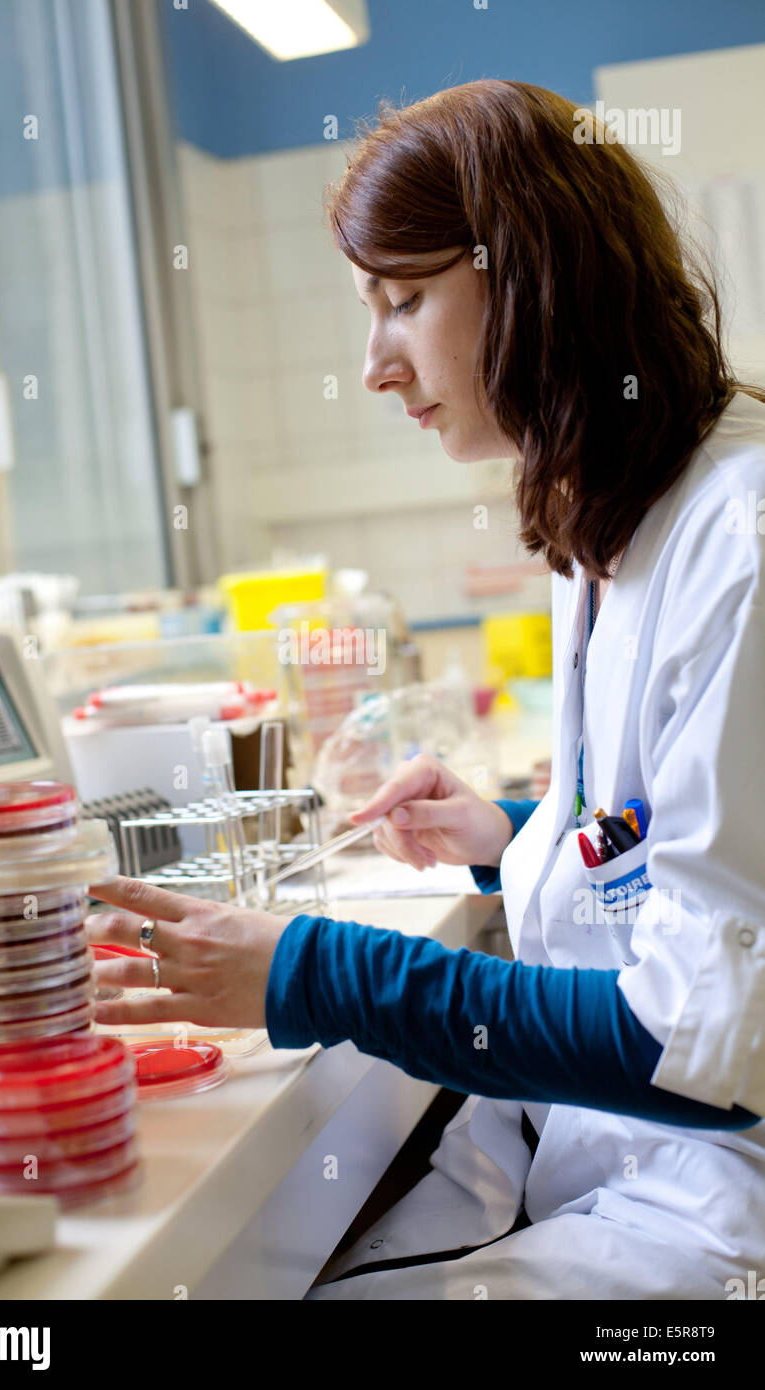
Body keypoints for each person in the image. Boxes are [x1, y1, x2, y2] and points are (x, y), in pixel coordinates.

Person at [88, 80, 765, 1300]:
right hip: (603, 1159)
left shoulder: (738, 540)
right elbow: (682, 849)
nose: (373, 365)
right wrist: (509, 838)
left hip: (717, 1211)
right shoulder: (606, 513)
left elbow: (690, 1039)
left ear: (536, 280)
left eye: (404, 300)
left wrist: (309, 971)